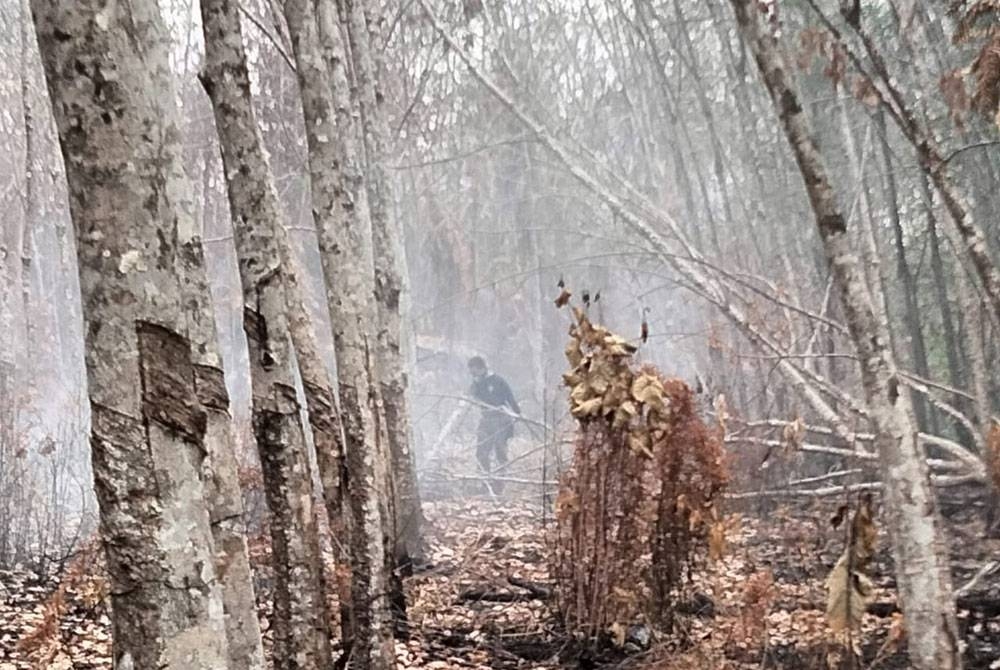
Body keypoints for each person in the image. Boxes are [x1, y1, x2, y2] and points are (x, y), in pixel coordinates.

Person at [467, 356, 520, 493]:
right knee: (482, 452)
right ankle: (485, 483)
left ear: (482, 368)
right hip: (485, 420)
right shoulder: (476, 384)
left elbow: (510, 399)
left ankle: (499, 484)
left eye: (474, 371)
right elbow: (470, 398)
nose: (473, 375)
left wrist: (517, 414)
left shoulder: (498, 381)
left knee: (500, 453)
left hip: (501, 420)